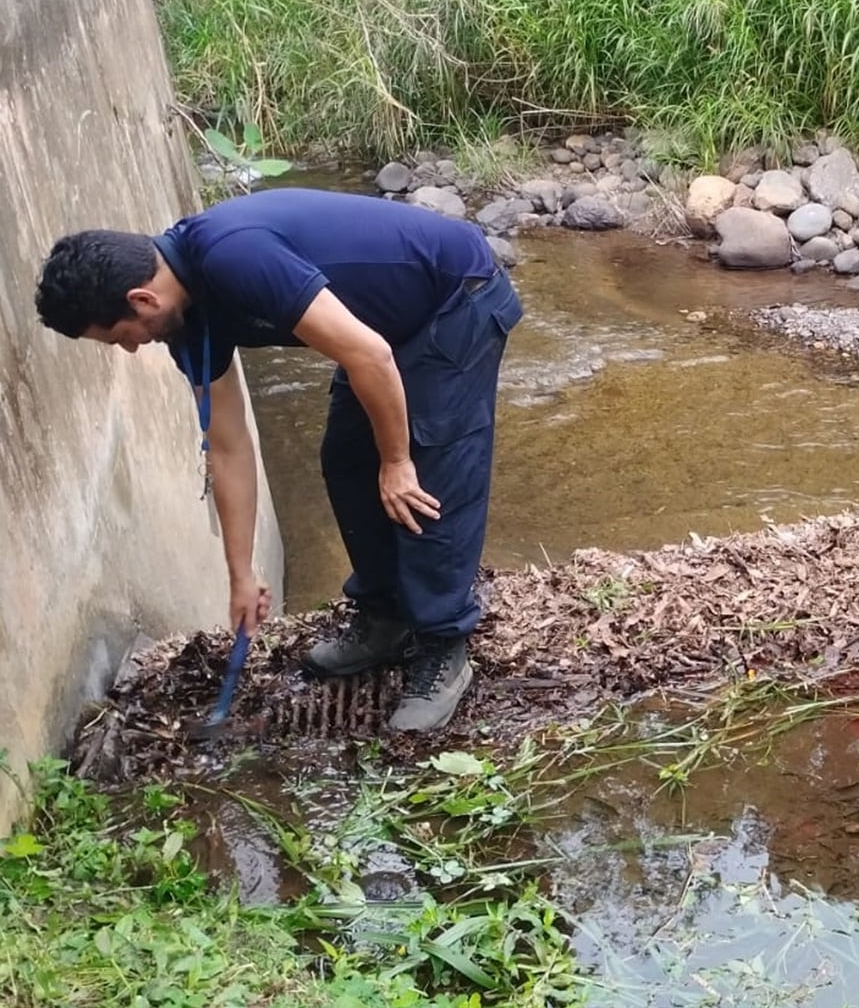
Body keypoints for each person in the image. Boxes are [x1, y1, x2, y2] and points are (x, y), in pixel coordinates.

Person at [34, 187, 524, 731]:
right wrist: (241, 574)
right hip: (385, 327)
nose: (130, 349)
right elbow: (228, 444)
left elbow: (369, 354)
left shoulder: (234, 255)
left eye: (120, 338)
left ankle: (443, 645)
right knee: (346, 460)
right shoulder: (188, 326)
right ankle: (386, 618)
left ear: (141, 300)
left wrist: (398, 459)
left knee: (427, 466)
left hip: (455, 295)